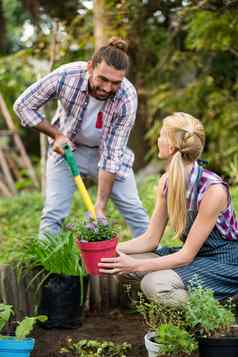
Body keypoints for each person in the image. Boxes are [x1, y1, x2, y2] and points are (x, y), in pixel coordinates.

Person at [14, 37, 149, 238]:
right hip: (69, 150)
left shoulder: (127, 97)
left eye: (115, 83)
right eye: (102, 79)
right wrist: (56, 135)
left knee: (135, 210)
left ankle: (151, 258)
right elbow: (23, 105)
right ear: (90, 67)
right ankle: (48, 265)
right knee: (53, 212)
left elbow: (112, 156)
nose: (107, 88)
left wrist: (100, 206)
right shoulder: (67, 75)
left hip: (106, 154)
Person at [99, 112, 238, 304]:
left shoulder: (212, 190)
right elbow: (150, 239)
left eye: (161, 135)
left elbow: (186, 255)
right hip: (197, 256)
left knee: (155, 284)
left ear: (171, 146)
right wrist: (106, 250)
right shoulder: (167, 181)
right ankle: (175, 307)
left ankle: (215, 314)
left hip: (224, 262)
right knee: (120, 261)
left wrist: (135, 266)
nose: (158, 139)